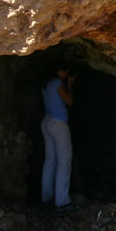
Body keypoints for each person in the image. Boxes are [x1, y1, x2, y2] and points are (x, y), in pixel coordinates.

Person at [40, 67, 76, 211]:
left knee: (50, 161)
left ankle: (46, 198)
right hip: (58, 123)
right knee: (64, 161)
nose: (66, 73)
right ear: (59, 71)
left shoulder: (45, 83)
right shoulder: (57, 83)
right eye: (65, 71)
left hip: (46, 122)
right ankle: (62, 201)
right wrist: (70, 84)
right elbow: (69, 101)